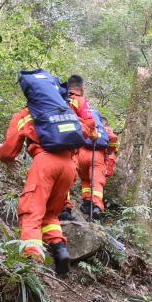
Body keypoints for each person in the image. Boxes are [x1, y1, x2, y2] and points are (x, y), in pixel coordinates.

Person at [0, 106, 77, 275]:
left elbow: (9, 149)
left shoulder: (27, 112)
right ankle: (60, 249)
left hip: (45, 162)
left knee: (31, 210)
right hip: (69, 166)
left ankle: (31, 261)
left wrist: (2, 157)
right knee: (50, 214)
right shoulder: (65, 111)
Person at [59, 75, 99, 221]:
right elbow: (89, 122)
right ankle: (64, 208)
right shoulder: (79, 100)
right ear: (81, 89)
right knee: (67, 175)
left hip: (54, 140)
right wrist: (92, 135)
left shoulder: (58, 97)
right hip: (71, 144)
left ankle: (61, 206)